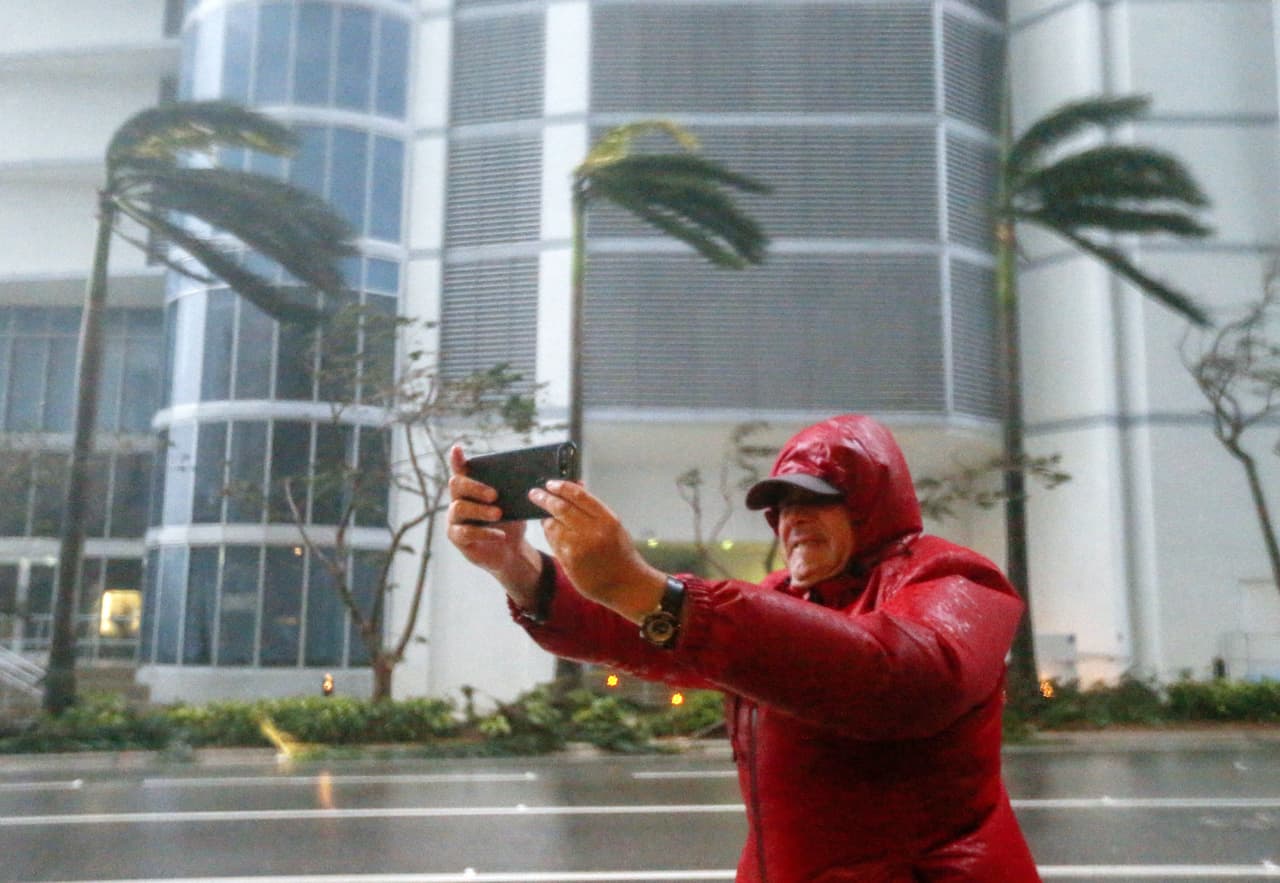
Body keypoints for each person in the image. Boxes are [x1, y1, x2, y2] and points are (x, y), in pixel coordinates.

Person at [447, 414, 1041, 881]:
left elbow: (900, 678)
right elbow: (657, 638)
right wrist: (521, 568)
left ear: (871, 500)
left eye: (816, 498)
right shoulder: (785, 598)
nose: (792, 518)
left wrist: (647, 590)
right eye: (781, 505)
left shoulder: (953, 580)